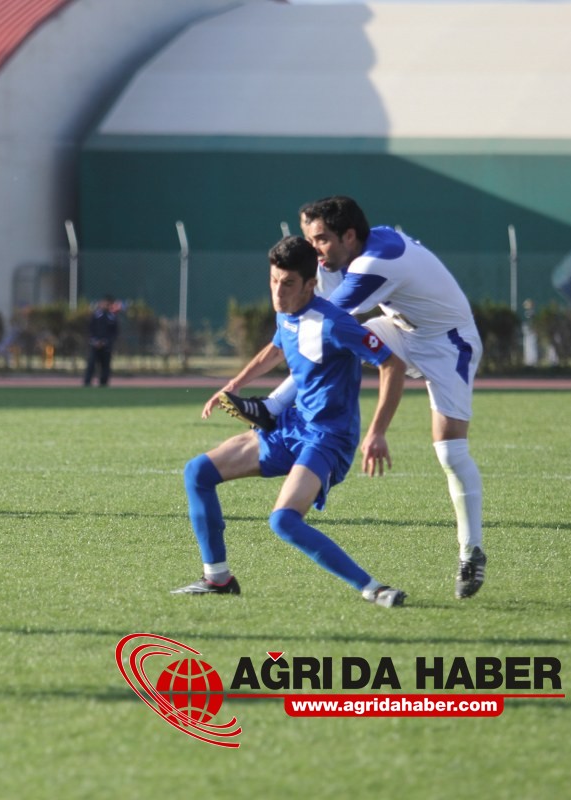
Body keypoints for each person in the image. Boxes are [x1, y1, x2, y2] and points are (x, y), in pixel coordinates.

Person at [220, 196, 487, 599]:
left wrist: (377, 432)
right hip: (401, 329)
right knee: (338, 343)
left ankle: (471, 551)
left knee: (451, 452)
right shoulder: (360, 245)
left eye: (321, 240)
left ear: (348, 236)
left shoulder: (371, 265)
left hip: (449, 344)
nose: (315, 250)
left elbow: (314, 322)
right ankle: (272, 406)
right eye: (310, 240)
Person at [174, 236, 408, 607]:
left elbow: (392, 364)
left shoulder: (336, 324)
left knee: (283, 521)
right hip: (289, 426)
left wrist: (378, 431)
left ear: (310, 284)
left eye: (287, 284)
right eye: (273, 281)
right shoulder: (286, 313)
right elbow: (277, 347)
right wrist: (234, 385)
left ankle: (374, 589)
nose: (277, 292)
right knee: (197, 472)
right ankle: (217, 578)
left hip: (328, 437)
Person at [83, 296, 119, 386]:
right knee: (91, 363)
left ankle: (103, 382)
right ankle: (87, 381)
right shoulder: (95, 316)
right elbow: (90, 329)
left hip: (106, 345)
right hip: (95, 344)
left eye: (107, 304)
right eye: (104, 303)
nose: (105, 305)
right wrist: (94, 341)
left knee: (105, 364)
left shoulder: (112, 317)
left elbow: (114, 332)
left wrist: (105, 341)